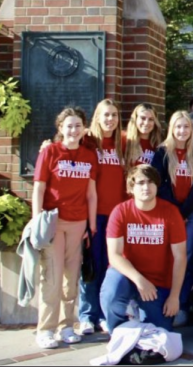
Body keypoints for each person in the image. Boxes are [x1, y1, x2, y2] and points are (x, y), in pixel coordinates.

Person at [32, 107, 99, 349]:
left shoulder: (89, 155)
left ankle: (67, 325)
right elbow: (39, 188)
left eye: (78, 125)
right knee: (51, 275)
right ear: (60, 128)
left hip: (78, 222)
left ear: (84, 129)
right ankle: (46, 329)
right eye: (69, 126)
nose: (73, 130)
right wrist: (36, 221)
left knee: (71, 278)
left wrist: (91, 226)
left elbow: (91, 193)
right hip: (52, 222)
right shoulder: (50, 152)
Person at [101, 164, 187, 331]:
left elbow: (180, 257)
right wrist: (140, 280)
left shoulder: (171, 212)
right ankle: (117, 331)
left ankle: (139, 310)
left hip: (157, 283)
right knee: (112, 291)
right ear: (131, 188)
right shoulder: (120, 212)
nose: (146, 187)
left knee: (162, 330)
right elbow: (115, 256)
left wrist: (174, 296)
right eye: (140, 183)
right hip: (127, 276)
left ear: (157, 185)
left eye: (150, 182)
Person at [152, 110, 193, 327]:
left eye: (187, 127)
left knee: (184, 258)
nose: (183, 131)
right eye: (179, 127)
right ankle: (161, 301)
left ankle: (181, 304)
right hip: (167, 213)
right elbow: (160, 183)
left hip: (189, 215)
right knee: (166, 258)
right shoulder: (163, 153)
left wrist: (184, 212)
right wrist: (175, 211)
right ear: (172, 129)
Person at [77, 99, 125, 336]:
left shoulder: (123, 143)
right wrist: (47, 145)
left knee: (110, 267)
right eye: (106, 115)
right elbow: (61, 145)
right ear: (97, 117)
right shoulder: (87, 141)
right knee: (91, 265)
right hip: (92, 215)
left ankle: (106, 315)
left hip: (116, 217)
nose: (110, 119)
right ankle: (87, 315)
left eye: (114, 115)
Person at [124, 103, 163, 167]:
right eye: (143, 118)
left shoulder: (158, 144)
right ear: (135, 119)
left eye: (151, 119)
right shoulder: (125, 140)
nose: (146, 123)